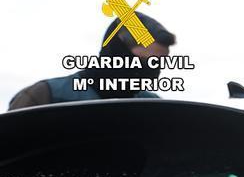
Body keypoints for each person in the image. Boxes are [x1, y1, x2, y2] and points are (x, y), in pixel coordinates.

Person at [8, 14, 175, 110]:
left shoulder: (154, 108)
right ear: (116, 53)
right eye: (145, 61)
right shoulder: (46, 96)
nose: (152, 70)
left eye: (159, 63)